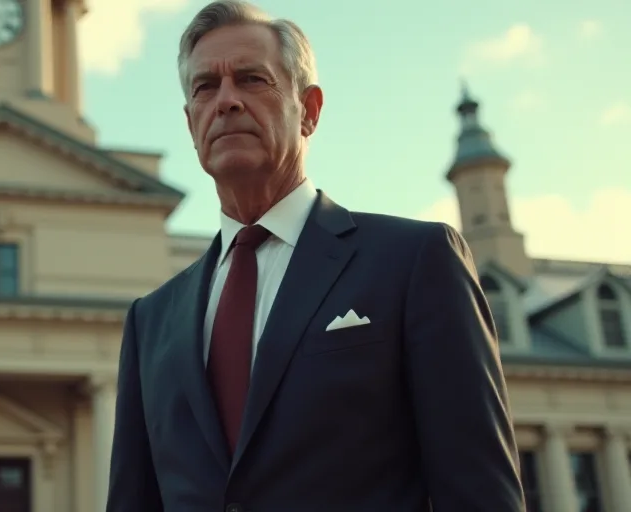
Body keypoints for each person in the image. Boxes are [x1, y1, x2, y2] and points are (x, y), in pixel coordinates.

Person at [105, 1, 525, 511]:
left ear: (309, 110)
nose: (227, 101)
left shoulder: (415, 263)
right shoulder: (151, 320)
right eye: (205, 88)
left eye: (252, 79)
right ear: (191, 122)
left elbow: (479, 491)